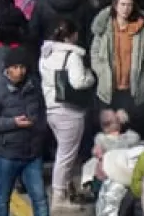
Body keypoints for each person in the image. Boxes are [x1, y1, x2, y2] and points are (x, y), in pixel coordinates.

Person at [0, 46, 50, 216]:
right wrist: (13, 123)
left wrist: (40, 129)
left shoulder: (34, 88)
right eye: (15, 67)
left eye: (23, 67)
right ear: (7, 68)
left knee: (40, 198)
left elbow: (42, 111)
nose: (20, 72)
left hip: (32, 154)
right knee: (3, 198)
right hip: (6, 155)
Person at [39, 20, 96, 206]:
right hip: (69, 111)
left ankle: (68, 188)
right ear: (71, 36)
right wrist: (90, 77)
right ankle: (59, 196)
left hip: (51, 109)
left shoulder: (45, 54)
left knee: (64, 152)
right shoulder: (72, 57)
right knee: (66, 155)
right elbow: (78, 82)